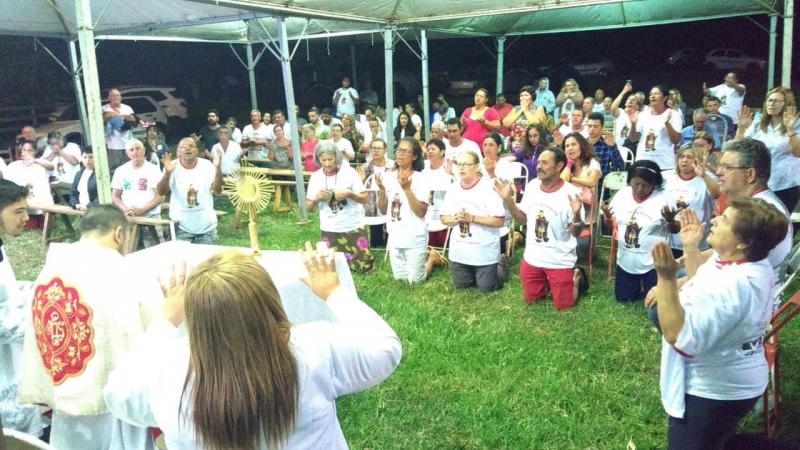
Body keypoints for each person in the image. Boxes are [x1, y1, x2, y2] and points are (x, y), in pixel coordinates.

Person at [104, 246, 401, 449]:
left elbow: (117, 394)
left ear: (196, 318)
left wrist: (167, 319)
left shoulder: (167, 374)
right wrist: (335, 294)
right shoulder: (312, 350)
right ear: (270, 301)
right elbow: (385, 349)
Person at [649, 198, 787, 450]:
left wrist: (666, 279)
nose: (714, 219)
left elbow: (680, 337)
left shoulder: (735, 285)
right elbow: (701, 283)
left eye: (724, 219)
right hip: (734, 376)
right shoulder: (746, 261)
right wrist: (690, 247)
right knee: (716, 439)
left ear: (743, 241)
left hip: (715, 390)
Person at [20, 205, 155, 450]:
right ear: (119, 234)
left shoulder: (51, 268)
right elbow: (153, 330)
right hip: (110, 402)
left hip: (65, 388)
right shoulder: (123, 271)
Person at [496, 148, 587, 309]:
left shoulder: (571, 193)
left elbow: (576, 233)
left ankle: (575, 276)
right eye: (538, 162)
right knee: (532, 300)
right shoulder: (532, 186)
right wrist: (508, 201)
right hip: (533, 258)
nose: (538, 166)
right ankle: (548, 281)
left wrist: (577, 214)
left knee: (563, 306)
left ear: (559, 166)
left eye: (544, 163)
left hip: (559, 260)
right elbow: (522, 220)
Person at [0, 180, 46, 437]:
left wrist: (36, 289)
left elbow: (6, 289)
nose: (26, 218)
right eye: (17, 212)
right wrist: (44, 311)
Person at [714, 138, 792, 289]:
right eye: (720, 166)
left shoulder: (758, 212)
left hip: (746, 295)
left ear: (750, 174)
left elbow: (727, 263)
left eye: (727, 167)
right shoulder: (758, 203)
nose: (718, 172)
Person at [602, 160, 680, 303]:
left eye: (646, 185)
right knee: (624, 299)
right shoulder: (622, 194)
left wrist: (670, 220)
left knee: (655, 301)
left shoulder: (664, 198)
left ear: (654, 184)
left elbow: (675, 230)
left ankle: (652, 283)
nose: (640, 189)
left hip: (654, 262)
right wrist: (607, 219)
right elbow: (610, 224)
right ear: (629, 181)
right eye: (636, 184)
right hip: (626, 260)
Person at [439, 149, 507, 292]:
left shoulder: (489, 187)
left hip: (484, 251)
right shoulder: (453, 188)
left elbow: (499, 221)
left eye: (466, 164)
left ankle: (501, 263)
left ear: (477, 167)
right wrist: (454, 219)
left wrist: (473, 218)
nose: (461, 168)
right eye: (459, 164)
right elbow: (443, 217)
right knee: (462, 286)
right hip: (460, 252)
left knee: (487, 288)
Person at [305, 140, 374, 273]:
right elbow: (309, 207)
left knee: (364, 268)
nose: (327, 163)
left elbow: (365, 198)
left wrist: (349, 194)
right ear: (318, 159)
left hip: (352, 225)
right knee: (333, 270)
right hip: (329, 227)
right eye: (323, 160)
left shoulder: (349, 172)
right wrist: (316, 199)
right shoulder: (315, 177)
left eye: (330, 159)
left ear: (337, 156)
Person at [738, 86, 800, 212]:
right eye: (769, 100)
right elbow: (740, 149)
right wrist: (741, 128)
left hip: (786, 184)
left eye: (776, 101)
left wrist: (791, 130)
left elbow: (797, 152)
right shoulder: (758, 125)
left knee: (780, 223)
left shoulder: (796, 124)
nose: (771, 104)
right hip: (759, 182)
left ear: (786, 104)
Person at [376, 137, 429, 283]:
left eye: (405, 151)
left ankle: (431, 260)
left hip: (415, 235)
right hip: (395, 235)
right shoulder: (387, 177)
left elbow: (421, 212)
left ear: (414, 156)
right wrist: (381, 190)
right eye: (399, 150)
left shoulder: (421, 179)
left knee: (415, 281)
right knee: (400, 279)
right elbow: (382, 210)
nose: (400, 154)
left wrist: (407, 189)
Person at [157, 137, 223, 244]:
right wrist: (167, 173)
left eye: (191, 146)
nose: (188, 149)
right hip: (180, 227)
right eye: (184, 147)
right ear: (178, 151)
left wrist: (218, 168)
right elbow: (161, 192)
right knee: (181, 260)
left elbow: (217, 190)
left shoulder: (207, 165)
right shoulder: (171, 166)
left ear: (197, 150)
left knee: (209, 259)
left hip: (206, 226)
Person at [664, 144, 717, 260]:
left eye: (689, 157)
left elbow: (717, 194)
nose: (684, 160)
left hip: (698, 243)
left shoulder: (706, 179)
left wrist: (703, 175)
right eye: (681, 156)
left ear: (697, 160)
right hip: (671, 241)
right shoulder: (667, 177)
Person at [111, 138, 164, 247]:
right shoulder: (120, 171)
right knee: (129, 251)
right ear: (127, 153)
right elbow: (115, 197)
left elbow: (160, 197)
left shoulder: (153, 170)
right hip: (128, 218)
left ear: (144, 150)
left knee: (155, 251)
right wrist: (127, 210)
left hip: (150, 218)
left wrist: (142, 210)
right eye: (131, 150)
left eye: (137, 148)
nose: (135, 152)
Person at [3, 141, 53, 229]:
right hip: (24, 203)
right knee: (31, 227)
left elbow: (52, 167)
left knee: (47, 225)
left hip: (41, 202)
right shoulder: (14, 165)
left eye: (30, 150)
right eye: (24, 150)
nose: (26, 153)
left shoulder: (41, 164)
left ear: (35, 152)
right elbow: (8, 183)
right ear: (21, 151)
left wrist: (35, 160)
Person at [631, 85, 682, 172]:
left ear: (665, 97)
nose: (652, 96)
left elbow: (676, 140)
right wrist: (633, 124)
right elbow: (633, 139)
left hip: (664, 164)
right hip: (643, 161)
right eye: (651, 94)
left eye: (656, 94)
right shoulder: (643, 115)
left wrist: (667, 124)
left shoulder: (673, 114)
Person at [560, 132, 601, 222]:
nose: (570, 148)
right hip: (567, 209)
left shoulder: (592, 162)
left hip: (588, 213)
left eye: (573, 144)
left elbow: (591, 181)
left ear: (581, 146)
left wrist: (572, 178)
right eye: (567, 146)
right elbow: (562, 181)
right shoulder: (565, 166)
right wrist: (569, 163)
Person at [102, 88, 136, 171]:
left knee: (129, 169)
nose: (115, 97)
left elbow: (134, 121)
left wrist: (117, 115)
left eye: (117, 95)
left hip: (128, 145)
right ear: (109, 98)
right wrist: (123, 116)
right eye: (113, 95)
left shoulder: (127, 108)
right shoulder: (103, 108)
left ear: (121, 97)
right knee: (114, 170)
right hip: (112, 146)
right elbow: (102, 120)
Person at [586, 112, 624, 177]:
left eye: (596, 126)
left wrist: (612, 146)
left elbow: (620, 166)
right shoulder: (582, 144)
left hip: (602, 182)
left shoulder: (607, 144)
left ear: (602, 127)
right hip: (583, 180)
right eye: (589, 126)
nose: (592, 129)